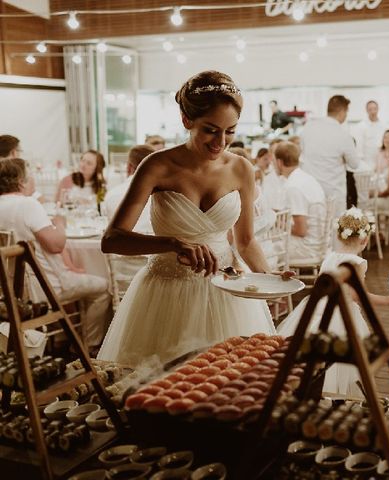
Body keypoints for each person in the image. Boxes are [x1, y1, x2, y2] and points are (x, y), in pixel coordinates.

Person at [98, 70, 276, 366]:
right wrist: (172, 244)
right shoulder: (156, 166)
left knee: (231, 383)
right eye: (211, 129)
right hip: (166, 295)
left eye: (230, 130)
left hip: (226, 291)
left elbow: (245, 241)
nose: (221, 141)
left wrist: (269, 279)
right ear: (186, 120)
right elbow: (111, 239)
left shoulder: (242, 169)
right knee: (162, 386)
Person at [278, 207, 389, 395]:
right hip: (342, 316)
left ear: (339, 236)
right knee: (340, 358)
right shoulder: (357, 262)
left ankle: (309, 390)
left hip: (317, 310)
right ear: (365, 240)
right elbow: (356, 296)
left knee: (312, 356)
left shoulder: (330, 257)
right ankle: (335, 396)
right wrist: (388, 300)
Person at [0, 158, 111, 353]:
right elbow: (56, 245)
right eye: (30, 175)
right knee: (103, 287)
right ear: (22, 181)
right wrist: (60, 224)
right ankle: (89, 347)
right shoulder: (27, 204)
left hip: (9, 289)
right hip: (44, 286)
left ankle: (61, 338)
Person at [300, 95, 359, 211]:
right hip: (333, 193)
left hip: (310, 190)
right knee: (333, 227)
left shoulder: (309, 127)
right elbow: (354, 164)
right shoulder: (343, 134)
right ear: (342, 111)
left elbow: (302, 151)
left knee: (313, 226)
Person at [274, 141, 326, 263]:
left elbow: (300, 230)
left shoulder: (293, 187)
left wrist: (277, 222)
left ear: (279, 162)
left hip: (306, 247)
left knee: (263, 248)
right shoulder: (306, 178)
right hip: (318, 242)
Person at [103, 145, 155, 233]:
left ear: (129, 167)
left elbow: (109, 231)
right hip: (156, 246)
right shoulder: (164, 196)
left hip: (122, 245)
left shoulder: (112, 195)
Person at [352, 100, 389, 172]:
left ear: (378, 109)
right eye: (370, 109)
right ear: (367, 110)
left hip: (382, 163)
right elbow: (359, 147)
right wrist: (362, 165)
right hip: (367, 164)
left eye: (375, 109)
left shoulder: (384, 125)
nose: (373, 111)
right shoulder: (361, 126)